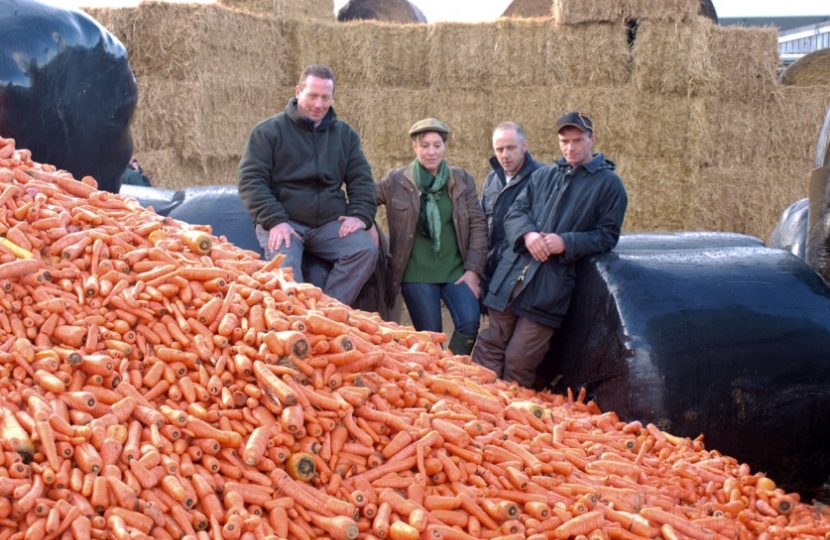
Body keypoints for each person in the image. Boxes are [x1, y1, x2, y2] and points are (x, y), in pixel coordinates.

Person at [472, 112, 628, 388]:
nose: (570, 147)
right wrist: (528, 234)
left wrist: (566, 241)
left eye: (577, 140)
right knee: (490, 345)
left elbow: (607, 236)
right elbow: (515, 212)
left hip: (549, 285)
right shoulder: (543, 175)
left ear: (592, 139)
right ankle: (479, 406)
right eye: (564, 141)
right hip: (511, 277)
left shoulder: (609, 185)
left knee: (520, 360)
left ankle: (512, 422)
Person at [238, 64, 378, 307]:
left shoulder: (345, 135)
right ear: (298, 92)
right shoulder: (268, 132)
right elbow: (251, 180)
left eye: (325, 98)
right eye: (312, 96)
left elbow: (362, 179)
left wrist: (359, 215)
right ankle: (294, 319)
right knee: (285, 266)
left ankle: (327, 312)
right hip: (286, 221)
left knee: (364, 249)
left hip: (328, 224)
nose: (318, 104)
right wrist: (274, 220)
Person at [375, 118, 487, 355]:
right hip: (416, 274)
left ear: (445, 147)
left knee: (469, 322)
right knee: (431, 339)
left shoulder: (461, 179)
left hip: (456, 271)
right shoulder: (396, 180)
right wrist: (361, 223)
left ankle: (454, 370)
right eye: (424, 145)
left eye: (437, 145)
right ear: (414, 147)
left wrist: (474, 270)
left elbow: (478, 224)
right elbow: (363, 200)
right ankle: (439, 381)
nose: (431, 151)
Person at [480, 122, 544, 300]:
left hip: (526, 278)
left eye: (510, 148)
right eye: (499, 149)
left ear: (525, 146)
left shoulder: (543, 177)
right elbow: (483, 226)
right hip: (494, 276)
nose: (504, 155)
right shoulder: (491, 180)